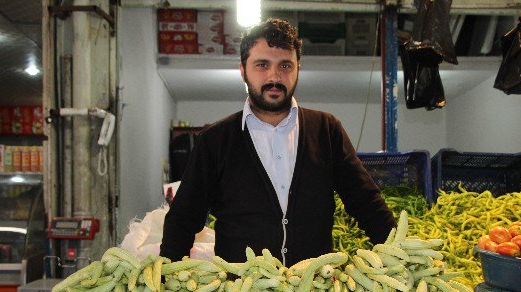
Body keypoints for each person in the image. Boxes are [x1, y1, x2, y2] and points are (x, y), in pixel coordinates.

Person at [160, 19, 396, 267]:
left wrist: (402, 256)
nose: (274, 76)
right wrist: (164, 280)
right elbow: (184, 218)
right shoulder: (215, 140)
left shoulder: (326, 130)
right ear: (243, 70)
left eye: (285, 65)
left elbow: (366, 202)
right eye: (262, 65)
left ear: (297, 69)